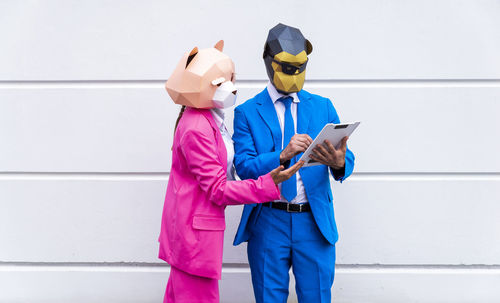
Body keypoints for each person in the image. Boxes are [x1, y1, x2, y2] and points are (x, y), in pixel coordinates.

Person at [158, 40, 303, 303]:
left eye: (231, 79)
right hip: (194, 238)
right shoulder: (197, 127)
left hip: (192, 235)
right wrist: (267, 183)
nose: (230, 87)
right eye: (220, 82)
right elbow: (217, 189)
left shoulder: (206, 118)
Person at [232, 24, 355, 302]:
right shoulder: (247, 112)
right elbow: (244, 167)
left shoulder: (323, 106)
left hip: (313, 221)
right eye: (289, 68)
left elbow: (347, 156)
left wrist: (338, 162)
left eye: (301, 67)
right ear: (270, 62)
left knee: (317, 297)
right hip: (268, 220)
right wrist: (281, 155)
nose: (295, 75)